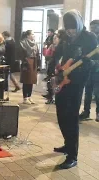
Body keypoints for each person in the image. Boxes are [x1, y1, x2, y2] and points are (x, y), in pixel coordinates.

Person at [54, 9, 98, 169]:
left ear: (79, 24)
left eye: (72, 27)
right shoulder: (65, 37)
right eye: (67, 28)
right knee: (60, 114)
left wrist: (91, 63)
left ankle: (73, 155)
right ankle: (67, 144)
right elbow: (57, 55)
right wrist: (55, 69)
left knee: (71, 117)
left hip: (78, 82)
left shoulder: (89, 38)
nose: (70, 31)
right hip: (62, 79)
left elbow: (96, 61)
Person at [79, 19, 99, 121]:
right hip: (88, 69)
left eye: (95, 27)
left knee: (97, 92)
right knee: (87, 92)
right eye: (91, 27)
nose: (93, 29)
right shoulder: (90, 39)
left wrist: (95, 62)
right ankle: (86, 112)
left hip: (97, 70)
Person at [19, 30, 40, 104]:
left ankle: (29, 96)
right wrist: (24, 62)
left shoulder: (35, 43)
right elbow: (22, 54)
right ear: (28, 35)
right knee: (26, 80)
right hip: (26, 62)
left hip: (34, 62)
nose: (34, 35)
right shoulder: (23, 43)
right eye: (32, 34)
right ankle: (25, 97)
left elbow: (37, 54)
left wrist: (38, 64)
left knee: (31, 80)